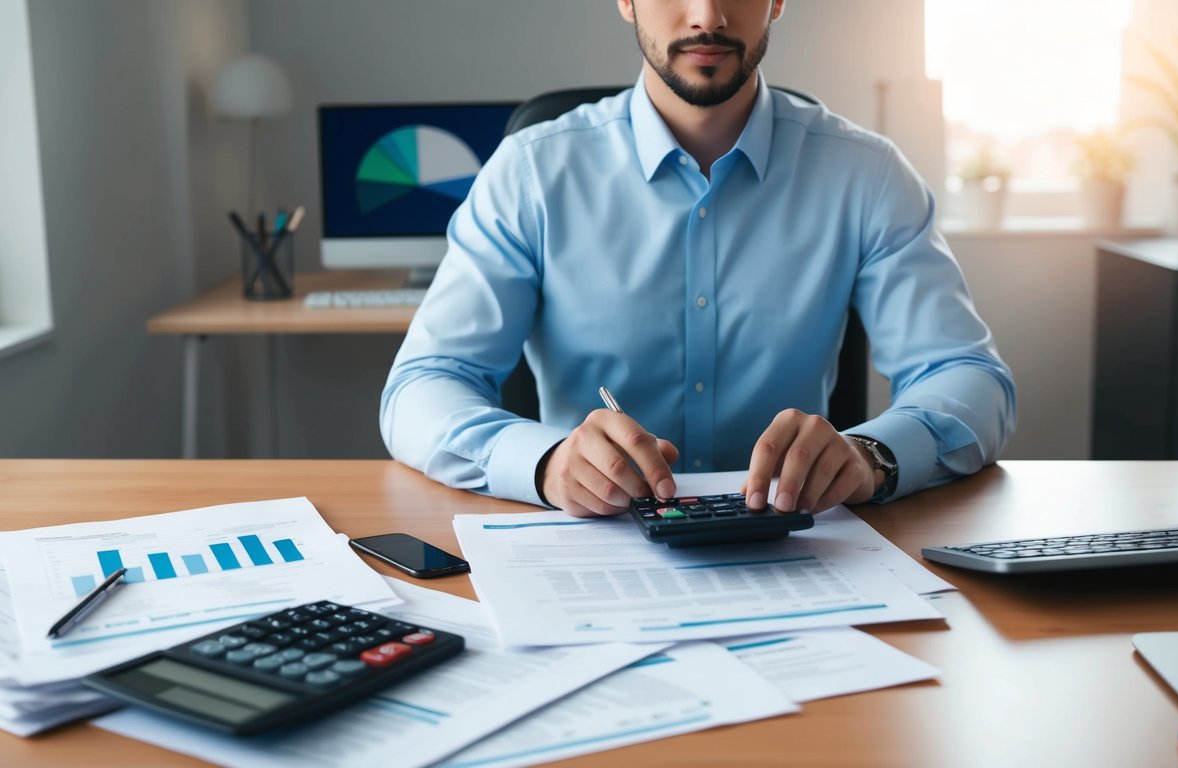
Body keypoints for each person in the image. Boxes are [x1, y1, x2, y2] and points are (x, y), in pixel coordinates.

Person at [381, 0, 1016, 518]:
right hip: (595, 547)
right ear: (626, 1)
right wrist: (544, 463)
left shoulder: (867, 174)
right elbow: (422, 387)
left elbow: (969, 378)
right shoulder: (530, 174)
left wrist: (872, 454)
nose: (706, 15)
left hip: (798, 547)